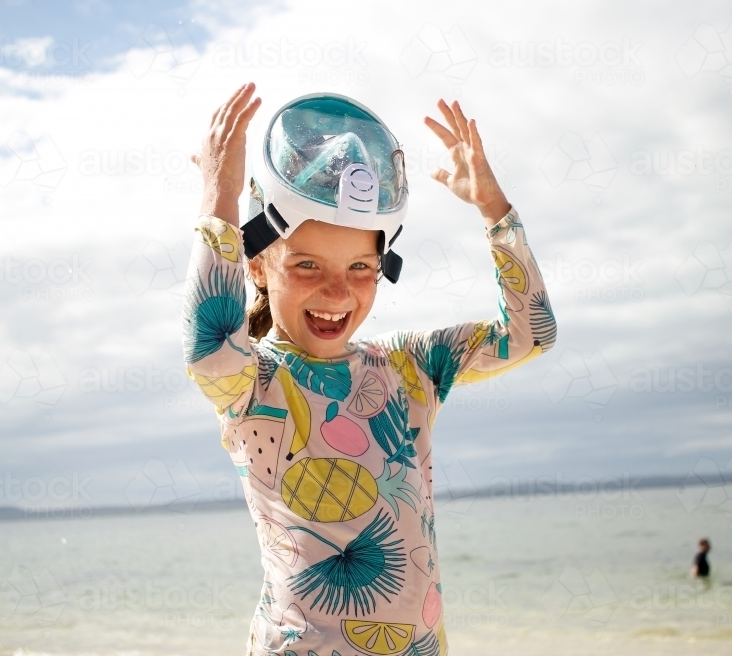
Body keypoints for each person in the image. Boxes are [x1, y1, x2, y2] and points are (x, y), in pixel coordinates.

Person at [184, 82, 557, 656]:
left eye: (362, 266)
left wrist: (494, 210)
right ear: (257, 266)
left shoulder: (410, 368)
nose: (338, 291)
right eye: (307, 265)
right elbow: (210, 347)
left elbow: (532, 334)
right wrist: (220, 200)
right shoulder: (252, 383)